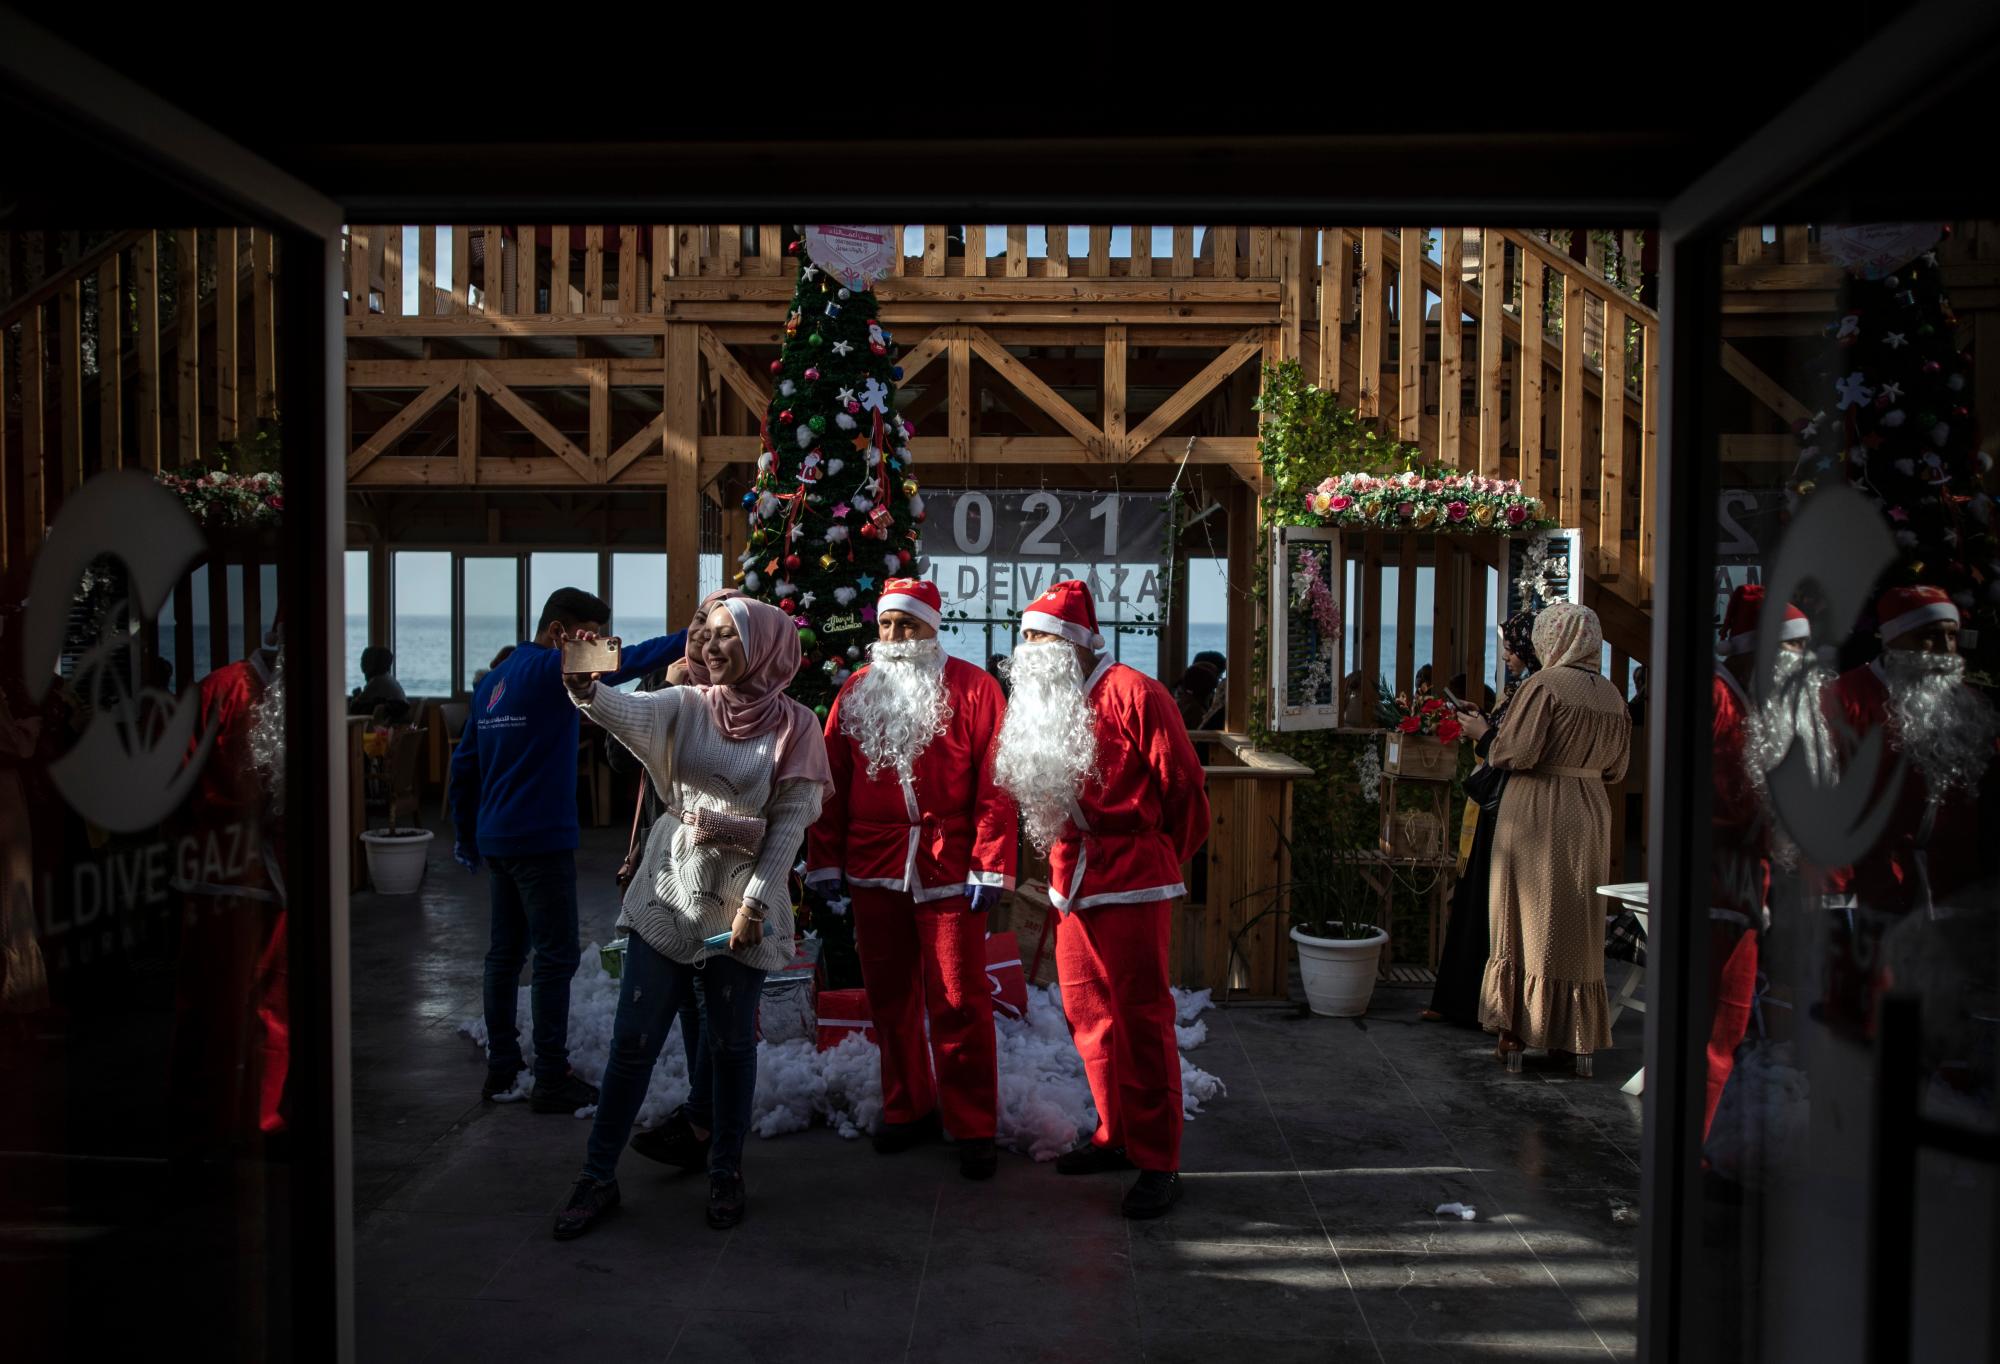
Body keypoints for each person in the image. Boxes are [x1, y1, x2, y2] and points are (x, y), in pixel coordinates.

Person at [551, 596, 831, 1237]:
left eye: (729, 637)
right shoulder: (688, 706)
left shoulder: (796, 728)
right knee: (633, 1042)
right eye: (707, 635)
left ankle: (725, 1170)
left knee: (732, 1046)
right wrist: (583, 687)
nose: (710, 647)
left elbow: (788, 828)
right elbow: (621, 710)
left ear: (763, 648)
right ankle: (596, 1177)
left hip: (742, 903)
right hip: (669, 890)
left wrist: (758, 901)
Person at [993, 579, 1210, 1219]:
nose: (1026, 652)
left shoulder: (1137, 694)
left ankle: (1160, 1159)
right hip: (1073, 878)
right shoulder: (1048, 701)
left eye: (1037, 639)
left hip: (1134, 877)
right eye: (1024, 638)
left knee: (1142, 1019)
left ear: (1074, 644)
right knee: (1089, 1016)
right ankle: (1115, 1134)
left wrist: (1159, 857)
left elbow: (1186, 793)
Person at [807, 578, 1015, 1181]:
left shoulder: (975, 689)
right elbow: (830, 784)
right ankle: (907, 1105)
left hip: (949, 863)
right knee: (890, 997)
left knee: (959, 997)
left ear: (933, 627)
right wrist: (825, 860)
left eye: (909, 625)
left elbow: (996, 785)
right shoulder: (856, 690)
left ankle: (972, 1121)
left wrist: (989, 861)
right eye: (888, 626)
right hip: (873, 866)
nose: (896, 638)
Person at [449, 588, 686, 1113]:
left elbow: (463, 767)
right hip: (541, 839)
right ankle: (551, 1076)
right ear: (561, 633)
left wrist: (467, 837)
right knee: (555, 959)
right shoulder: (555, 668)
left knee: (504, 957)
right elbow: (636, 659)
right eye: (593, 636)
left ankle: (503, 1068)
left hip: (499, 839)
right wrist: (693, 634)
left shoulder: (494, 681)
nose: (599, 647)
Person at [617, 588, 741, 1174]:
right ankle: (700, 1115)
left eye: (717, 628)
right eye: (696, 622)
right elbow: (621, 763)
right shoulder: (667, 685)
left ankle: (703, 1120)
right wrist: (660, 691)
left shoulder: (747, 694)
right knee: (674, 1003)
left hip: (722, 873)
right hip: (662, 866)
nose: (701, 635)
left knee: (710, 1003)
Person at [1481, 603, 1632, 1075]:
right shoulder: (1612, 696)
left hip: (1538, 807)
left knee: (1523, 914)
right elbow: (1618, 769)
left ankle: (1518, 1027)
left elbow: (1513, 752)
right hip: (1590, 808)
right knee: (1578, 919)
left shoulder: (1543, 685)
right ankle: (1572, 1037)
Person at [1706, 585, 1835, 1137]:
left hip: (1745, 894)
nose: (1800, 666)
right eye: (1791, 651)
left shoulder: (1758, 705)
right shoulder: (1717, 697)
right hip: (1713, 890)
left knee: (1728, 1031)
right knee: (1711, 1034)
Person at [1822, 586, 1997, 920]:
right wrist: (1833, 895)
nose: (1945, 649)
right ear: (1893, 641)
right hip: (1874, 891)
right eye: (1928, 636)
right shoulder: (1843, 700)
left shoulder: (1970, 706)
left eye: (1952, 636)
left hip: (1956, 892)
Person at [1425, 609, 1538, 1027]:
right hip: (1497, 806)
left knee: (1483, 904)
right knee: (1473, 900)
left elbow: (1515, 750)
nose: (1506, 655)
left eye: (1510, 647)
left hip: (1507, 809)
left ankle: (1475, 1004)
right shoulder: (1523, 688)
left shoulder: (1534, 690)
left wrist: (1483, 733)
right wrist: (1485, 722)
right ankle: (1459, 1000)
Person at [349, 645, 408, 718]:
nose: (361, 663)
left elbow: (354, 708)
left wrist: (356, 695)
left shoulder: (376, 681)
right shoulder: (386, 677)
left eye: (364, 660)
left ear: (372, 663)